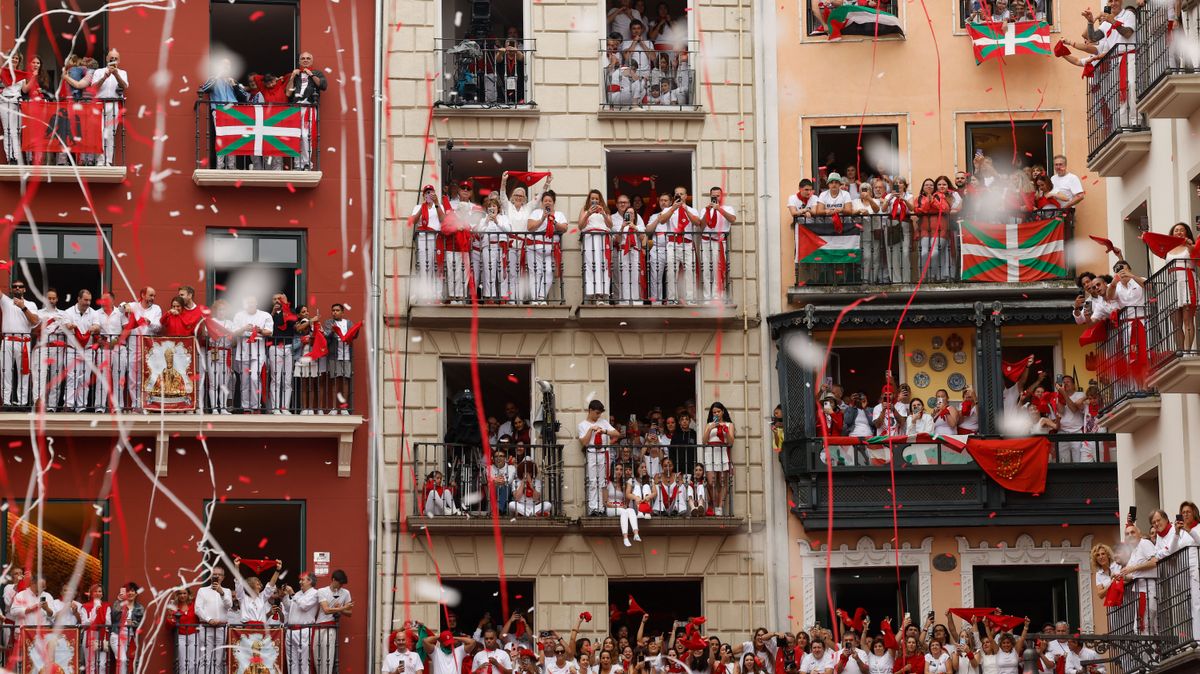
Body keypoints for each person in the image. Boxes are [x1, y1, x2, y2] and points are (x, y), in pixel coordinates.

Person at [0, 279, 40, 408]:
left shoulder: (31, 304)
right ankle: (6, 401)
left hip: (24, 342)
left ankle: (22, 403)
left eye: (20, 286)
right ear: (11, 289)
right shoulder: (5, 301)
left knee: (24, 373)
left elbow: (34, 321)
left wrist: (23, 307)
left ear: (24, 289)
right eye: (15, 286)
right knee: (5, 372)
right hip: (8, 341)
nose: (17, 288)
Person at [122, 287, 162, 411]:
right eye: (150, 295)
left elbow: (159, 327)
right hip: (134, 346)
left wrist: (149, 322)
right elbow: (120, 306)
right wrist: (125, 306)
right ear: (143, 295)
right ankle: (135, 404)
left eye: (154, 296)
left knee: (148, 377)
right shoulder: (133, 306)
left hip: (149, 347)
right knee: (133, 378)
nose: (153, 298)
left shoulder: (156, 309)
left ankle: (147, 404)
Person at [660, 187, 702, 305]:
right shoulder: (669, 209)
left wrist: (686, 210)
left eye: (681, 194)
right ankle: (672, 298)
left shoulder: (692, 210)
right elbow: (662, 220)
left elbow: (697, 223)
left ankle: (690, 298)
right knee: (671, 272)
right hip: (672, 243)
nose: (679, 196)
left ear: (686, 196)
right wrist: (674, 208)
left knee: (690, 271)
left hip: (687, 243)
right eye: (677, 194)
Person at [286, 52, 328, 170]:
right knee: (296, 135)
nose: (305, 60)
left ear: (311, 61)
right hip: (296, 109)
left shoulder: (317, 73)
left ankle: (306, 163)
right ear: (299, 61)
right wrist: (292, 77)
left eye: (308, 58)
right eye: (303, 58)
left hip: (308, 107)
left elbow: (323, 86)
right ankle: (297, 164)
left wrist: (311, 75)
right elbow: (288, 93)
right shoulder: (296, 75)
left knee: (306, 135)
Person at [232, 296, 274, 412]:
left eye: (252, 303)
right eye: (248, 303)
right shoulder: (239, 315)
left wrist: (259, 330)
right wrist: (244, 328)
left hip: (258, 353)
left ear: (256, 303)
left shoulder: (265, 315)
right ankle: (246, 407)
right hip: (242, 353)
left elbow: (270, 332)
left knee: (255, 379)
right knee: (245, 381)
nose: (250, 305)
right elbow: (233, 332)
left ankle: (256, 406)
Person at [581, 399, 622, 515]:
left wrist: (604, 431)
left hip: (603, 454)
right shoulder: (583, 425)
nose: (598, 415)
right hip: (592, 453)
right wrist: (591, 429)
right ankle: (593, 508)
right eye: (597, 413)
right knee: (593, 481)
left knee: (603, 481)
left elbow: (617, 434)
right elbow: (584, 442)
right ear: (590, 410)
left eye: (600, 413)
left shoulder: (603, 422)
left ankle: (600, 508)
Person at [526, 190, 568, 304]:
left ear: (553, 202)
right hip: (534, 248)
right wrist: (543, 219)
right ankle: (534, 299)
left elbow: (564, 228)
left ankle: (541, 297)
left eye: (550, 200)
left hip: (551, 250)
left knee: (549, 272)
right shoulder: (536, 213)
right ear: (542, 203)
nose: (547, 202)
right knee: (535, 273)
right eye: (545, 201)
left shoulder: (559, 214)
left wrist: (554, 222)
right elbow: (530, 227)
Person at [89, 49, 128, 167]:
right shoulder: (98, 72)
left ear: (119, 60)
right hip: (99, 104)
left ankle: (108, 161)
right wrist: (105, 77)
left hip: (114, 104)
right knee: (99, 132)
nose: (113, 60)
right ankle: (100, 160)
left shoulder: (122, 72)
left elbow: (125, 86)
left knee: (111, 133)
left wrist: (116, 74)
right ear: (107, 59)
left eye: (115, 58)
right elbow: (93, 88)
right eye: (111, 58)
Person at [62, 289, 99, 411]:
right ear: (78, 299)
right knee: (71, 377)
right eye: (85, 300)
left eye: (89, 300)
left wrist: (95, 327)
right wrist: (69, 326)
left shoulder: (93, 313)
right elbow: (64, 325)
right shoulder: (68, 312)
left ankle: (81, 406)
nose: (88, 303)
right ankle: (68, 404)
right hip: (72, 349)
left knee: (85, 379)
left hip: (88, 350)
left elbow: (97, 327)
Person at [1164, 222, 1197, 351]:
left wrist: (1189, 245)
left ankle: (1188, 351)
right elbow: (1155, 245)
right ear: (1172, 234)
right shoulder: (1168, 249)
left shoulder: (1191, 246)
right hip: (1173, 284)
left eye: (1181, 230)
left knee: (1187, 320)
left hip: (1186, 281)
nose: (1178, 232)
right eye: (1176, 230)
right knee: (1176, 324)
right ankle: (1180, 351)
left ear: (1187, 232)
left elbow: (1196, 256)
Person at [699, 187, 735, 302]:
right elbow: (701, 226)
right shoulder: (705, 210)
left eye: (717, 196)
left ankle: (716, 297)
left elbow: (733, 219)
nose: (715, 198)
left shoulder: (727, 208)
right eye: (713, 196)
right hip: (705, 242)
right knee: (705, 270)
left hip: (718, 242)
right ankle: (706, 297)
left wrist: (719, 209)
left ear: (721, 196)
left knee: (717, 270)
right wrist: (708, 211)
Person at [195, 567, 233, 674]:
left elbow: (229, 605)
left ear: (223, 577)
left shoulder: (227, 591)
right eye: (214, 574)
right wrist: (209, 619)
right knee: (205, 659)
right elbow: (198, 608)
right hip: (206, 628)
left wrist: (222, 593)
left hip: (221, 629)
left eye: (219, 574)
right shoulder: (202, 590)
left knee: (219, 659)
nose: (216, 576)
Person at [314, 570, 353, 674]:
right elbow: (326, 610)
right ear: (333, 580)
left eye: (342, 584)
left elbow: (349, 613)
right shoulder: (322, 591)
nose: (340, 586)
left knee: (328, 658)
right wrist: (342, 608)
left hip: (331, 627)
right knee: (317, 657)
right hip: (319, 626)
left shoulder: (345, 593)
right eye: (339, 583)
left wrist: (342, 608)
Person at [580, 189, 615, 302]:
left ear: (600, 200)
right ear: (589, 200)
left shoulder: (605, 210)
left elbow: (610, 225)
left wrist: (603, 214)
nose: (594, 200)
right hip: (590, 239)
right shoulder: (585, 210)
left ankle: (601, 294)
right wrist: (588, 213)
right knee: (591, 265)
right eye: (592, 198)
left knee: (603, 265)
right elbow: (580, 226)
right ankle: (591, 293)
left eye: (596, 198)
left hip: (602, 239)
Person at [323, 303, 358, 414]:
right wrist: (332, 331)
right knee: (335, 381)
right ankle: (334, 408)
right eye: (333, 310)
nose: (334, 312)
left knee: (345, 381)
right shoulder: (329, 323)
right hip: (334, 356)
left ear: (342, 312)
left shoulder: (349, 323)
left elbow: (355, 335)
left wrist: (357, 330)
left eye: (337, 310)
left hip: (346, 356)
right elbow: (326, 337)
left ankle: (343, 408)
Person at [612, 194, 647, 305]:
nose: (630, 215)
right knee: (624, 277)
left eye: (632, 213)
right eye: (628, 213)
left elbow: (644, 239)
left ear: (635, 215)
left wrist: (635, 228)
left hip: (635, 252)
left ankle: (637, 301)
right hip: (623, 252)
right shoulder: (620, 225)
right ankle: (624, 302)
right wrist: (622, 227)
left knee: (635, 277)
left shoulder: (638, 226)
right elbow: (617, 239)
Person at [282, 572, 320, 674]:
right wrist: (285, 596)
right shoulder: (298, 593)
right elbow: (288, 607)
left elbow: (305, 606)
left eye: (302, 580)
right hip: (291, 631)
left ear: (310, 581)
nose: (300, 582)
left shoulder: (315, 593)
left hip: (303, 631)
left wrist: (292, 594)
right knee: (291, 662)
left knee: (304, 663)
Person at [703, 402, 734, 517]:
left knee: (722, 481)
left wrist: (725, 430)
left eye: (718, 411)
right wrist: (710, 428)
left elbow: (731, 442)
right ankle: (715, 504)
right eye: (714, 412)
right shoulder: (709, 424)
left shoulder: (729, 424)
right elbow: (704, 440)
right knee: (711, 482)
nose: (716, 414)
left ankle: (720, 507)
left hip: (722, 453)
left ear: (723, 412)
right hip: (710, 453)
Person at [268, 294, 298, 414]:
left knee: (287, 379)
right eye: (274, 299)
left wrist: (285, 309)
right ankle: (275, 408)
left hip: (288, 347)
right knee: (276, 379)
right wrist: (273, 313)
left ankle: (285, 407)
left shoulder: (290, 312)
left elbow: (293, 323)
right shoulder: (269, 315)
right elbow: (267, 327)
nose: (277, 301)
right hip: (275, 348)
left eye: (279, 299)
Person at [110, 582, 144, 674]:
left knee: (124, 662)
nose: (130, 593)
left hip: (129, 637)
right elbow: (114, 617)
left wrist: (133, 623)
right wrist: (120, 601)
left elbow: (140, 623)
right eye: (128, 591)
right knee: (123, 660)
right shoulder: (118, 603)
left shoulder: (139, 608)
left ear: (136, 593)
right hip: (117, 635)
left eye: (132, 591)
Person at [81, 583, 112, 674]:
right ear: (91, 593)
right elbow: (84, 623)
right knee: (90, 664)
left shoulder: (107, 606)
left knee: (102, 664)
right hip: (89, 635)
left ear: (102, 594)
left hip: (102, 636)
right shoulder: (85, 606)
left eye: (100, 591)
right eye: (95, 591)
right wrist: (95, 610)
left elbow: (108, 623)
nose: (98, 593)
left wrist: (101, 610)